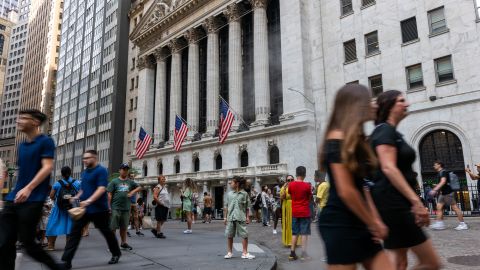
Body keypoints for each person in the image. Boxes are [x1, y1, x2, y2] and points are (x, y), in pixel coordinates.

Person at [318, 85, 393, 269]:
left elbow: (362, 187)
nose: (374, 104)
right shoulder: (336, 138)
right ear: (356, 106)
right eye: (369, 101)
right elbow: (346, 191)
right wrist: (373, 222)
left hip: (360, 219)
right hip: (340, 223)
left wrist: (374, 219)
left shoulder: (357, 139)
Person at [371, 90, 440, 270]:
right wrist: (416, 202)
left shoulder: (391, 132)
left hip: (394, 202)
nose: (407, 104)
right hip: (394, 204)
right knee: (431, 263)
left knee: (400, 261)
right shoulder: (385, 131)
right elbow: (388, 168)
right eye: (401, 101)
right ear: (389, 106)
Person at [0, 109, 65, 270]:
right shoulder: (21, 146)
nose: (18, 121)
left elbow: (47, 167)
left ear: (35, 122)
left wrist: (28, 188)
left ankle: (55, 267)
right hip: (13, 199)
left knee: (28, 244)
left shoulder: (46, 141)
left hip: (33, 200)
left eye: (23, 118)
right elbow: (22, 174)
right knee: (4, 242)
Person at [61, 150, 121, 269]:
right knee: (75, 234)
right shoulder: (85, 173)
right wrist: (76, 197)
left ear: (94, 158)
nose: (85, 160)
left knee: (107, 232)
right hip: (84, 209)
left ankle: (116, 253)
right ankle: (66, 261)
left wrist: (89, 201)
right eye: (84, 158)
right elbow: (83, 189)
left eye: (87, 158)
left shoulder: (101, 171)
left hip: (99, 209)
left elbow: (101, 189)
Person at [107, 163, 142, 250]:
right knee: (113, 228)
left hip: (126, 208)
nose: (125, 171)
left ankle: (123, 243)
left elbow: (139, 187)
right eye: (123, 169)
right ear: (120, 170)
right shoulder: (114, 181)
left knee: (124, 227)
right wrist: (108, 207)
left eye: (127, 169)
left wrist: (132, 192)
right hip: (115, 207)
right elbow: (109, 195)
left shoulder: (130, 182)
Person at [46, 166, 81, 251]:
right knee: (70, 227)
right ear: (71, 172)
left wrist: (58, 200)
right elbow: (81, 194)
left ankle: (51, 245)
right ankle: (68, 246)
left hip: (59, 209)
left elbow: (51, 196)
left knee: (52, 225)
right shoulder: (77, 183)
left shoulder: (57, 183)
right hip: (73, 208)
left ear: (61, 174)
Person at [429, 161, 468, 230]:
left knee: (455, 208)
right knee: (439, 207)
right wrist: (437, 186)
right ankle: (439, 224)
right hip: (443, 193)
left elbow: (443, 181)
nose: (434, 166)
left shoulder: (443, 172)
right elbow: (443, 183)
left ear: (439, 165)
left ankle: (463, 224)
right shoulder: (440, 173)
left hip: (448, 193)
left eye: (435, 165)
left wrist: (435, 189)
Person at [224, 176, 255, 260]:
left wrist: (247, 217)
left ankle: (244, 253)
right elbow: (226, 206)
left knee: (244, 234)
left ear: (237, 184)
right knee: (229, 235)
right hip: (230, 217)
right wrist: (225, 218)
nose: (230, 184)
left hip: (241, 217)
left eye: (232, 182)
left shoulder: (244, 194)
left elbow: (247, 207)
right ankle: (229, 252)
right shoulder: (229, 194)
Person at [287, 166, 312, 261]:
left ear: (296, 174)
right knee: (304, 233)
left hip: (295, 211)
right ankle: (303, 254)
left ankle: (292, 254)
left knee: (295, 233)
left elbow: (290, 194)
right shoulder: (307, 186)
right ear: (304, 174)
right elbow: (309, 199)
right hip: (305, 211)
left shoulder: (291, 185)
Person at [280, 175, 297, 247]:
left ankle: (295, 241)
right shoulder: (283, 188)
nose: (290, 181)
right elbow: (282, 197)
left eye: (291, 180)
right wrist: (284, 188)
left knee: (295, 223)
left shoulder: (296, 187)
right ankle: (288, 241)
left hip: (295, 205)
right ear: (286, 181)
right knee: (287, 223)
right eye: (288, 180)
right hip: (286, 205)